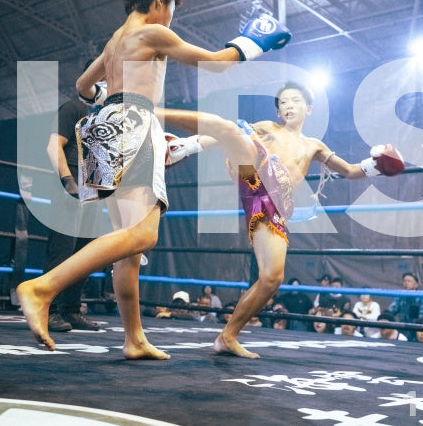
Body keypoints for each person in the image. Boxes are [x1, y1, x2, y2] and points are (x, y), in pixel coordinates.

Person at [16, 0, 290, 356]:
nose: (171, 20)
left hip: (103, 128)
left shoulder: (114, 42)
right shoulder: (151, 32)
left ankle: (134, 339)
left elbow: (82, 87)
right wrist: (254, 41)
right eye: (172, 10)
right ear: (161, 0)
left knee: (128, 251)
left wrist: (111, 96)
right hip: (133, 121)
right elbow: (216, 62)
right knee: (143, 235)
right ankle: (42, 288)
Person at [160, 80, 404, 357]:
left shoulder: (314, 146)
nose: (288, 106)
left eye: (295, 101)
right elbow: (232, 137)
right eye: (284, 102)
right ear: (278, 112)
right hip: (256, 173)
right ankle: (180, 146)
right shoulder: (269, 128)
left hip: (275, 206)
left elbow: (349, 171)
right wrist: (197, 145)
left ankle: (227, 336)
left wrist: (377, 165)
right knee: (237, 131)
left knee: (272, 278)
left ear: (308, 109)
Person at [42, 92, 105, 332]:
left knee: (84, 254)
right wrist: (68, 181)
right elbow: (53, 145)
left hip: (92, 191)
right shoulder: (74, 108)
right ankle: (47, 310)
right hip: (71, 185)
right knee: (62, 249)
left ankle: (71, 309)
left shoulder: (102, 121)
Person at [387, 272, 423, 341]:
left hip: (417, 330)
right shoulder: (400, 296)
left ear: (416, 284)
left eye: (409, 281)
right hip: (402, 329)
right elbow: (391, 310)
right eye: (404, 281)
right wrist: (385, 317)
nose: (406, 283)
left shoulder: (422, 297)